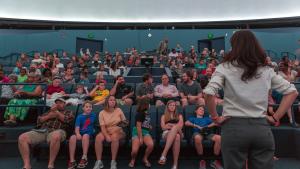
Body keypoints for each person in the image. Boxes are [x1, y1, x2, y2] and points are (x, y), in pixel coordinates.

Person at [203, 30, 298, 169]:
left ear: (234, 46)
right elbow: (292, 92)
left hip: (233, 129)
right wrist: (276, 117)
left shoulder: (224, 67)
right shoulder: (266, 70)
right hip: (261, 129)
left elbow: (209, 93)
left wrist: (215, 117)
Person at [18, 98, 74, 169]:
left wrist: (57, 113)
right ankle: (27, 165)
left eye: (60, 102)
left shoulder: (68, 112)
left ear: (64, 104)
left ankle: (50, 164)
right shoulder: (48, 112)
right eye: (57, 103)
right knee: (22, 137)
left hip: (58, 130)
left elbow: (67, 120)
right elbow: (39, 120)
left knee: (55, 136)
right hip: (43, 131)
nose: (58, 104)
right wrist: (48, 116)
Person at [93, 95, 128, 169]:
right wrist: (106, 136)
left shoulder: (119, 110)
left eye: (114, 100)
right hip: (106, 130)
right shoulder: (101, 112)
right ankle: (99, 161)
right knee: (98, 137)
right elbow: (102, 127)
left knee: (114, 137)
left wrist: (117, 128)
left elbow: (125, 122)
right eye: (111, 100)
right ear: (107, 102)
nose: (113, 101)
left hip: (118, 130)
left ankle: (113, 161)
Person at [68, 101, 96, 169]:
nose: (89, 108)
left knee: (85, 136)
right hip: (80, 133)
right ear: (83, 108)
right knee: (72, 137)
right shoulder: (79, 117)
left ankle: (84, 157)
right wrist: (77, 134)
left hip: (89, 133)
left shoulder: (93, 115)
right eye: (86, 107)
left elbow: (90, 122)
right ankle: (72, 160)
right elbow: (77, 127)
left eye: (90, 107)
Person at [158, 100, 184, 169]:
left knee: (177, 132)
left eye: (174, 105)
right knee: (177, 136)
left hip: (180, 132)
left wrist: (169, 124)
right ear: (167, 106)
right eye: (170, 105)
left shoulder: (180, 116)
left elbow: (180, 127)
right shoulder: (164, 116)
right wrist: (175, 126)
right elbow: (163, 127)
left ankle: (164, 154)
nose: (172, 107)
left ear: (175, 107)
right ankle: (175, 164)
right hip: (166, 133)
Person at [129, 98, 154, 168]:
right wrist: (140, 138)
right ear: (145, 105)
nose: (149, 105)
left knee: (151, 145)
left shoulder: (147, 113)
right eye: (148, 104)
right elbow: (138, 127)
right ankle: (133, 159)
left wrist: (149, 126)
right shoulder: (140, 114)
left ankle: (145, 158)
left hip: (145, 131)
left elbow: (144, 123)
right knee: (134, 151)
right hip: (137, 132)